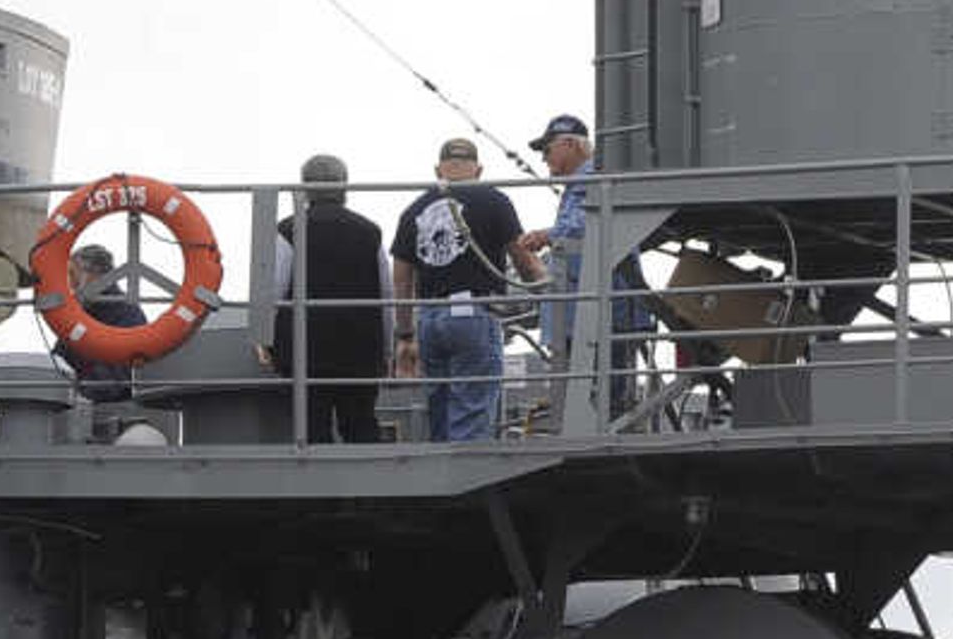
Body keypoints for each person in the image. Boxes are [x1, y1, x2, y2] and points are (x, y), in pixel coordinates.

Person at [390, 136, 544, 443]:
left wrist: (405, 335)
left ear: (438, 170)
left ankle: (437, 482)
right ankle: (465, 487)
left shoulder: (412, 211)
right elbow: (526, 265)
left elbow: (401, 281)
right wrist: (555, 294)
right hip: (474, 315)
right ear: (479, 170)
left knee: (440, 414)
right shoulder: (495, 201)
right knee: (471, 417)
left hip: (430, 320)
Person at [255, 151, 391, 444]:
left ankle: (319, 487)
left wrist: (264, 337)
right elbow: (386, 295)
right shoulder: (370, 232)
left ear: (304, 187)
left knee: (311, 427)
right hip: (360, 349)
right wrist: (388, 346)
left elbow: (274, 289)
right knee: (361, 426)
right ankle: (369, 486)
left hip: (305, 348)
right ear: (344, 185)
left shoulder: (287, 230)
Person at [535, 111, 657, 419]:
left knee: (607, 402)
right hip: (592, 316)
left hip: (603, 316)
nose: (544, 159)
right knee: (599, 400)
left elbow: (586, 228)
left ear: (570, 144)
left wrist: (545, 236)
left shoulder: (593, 181)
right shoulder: (583, 184)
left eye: (547, 150)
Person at [62, 243, 145, 402]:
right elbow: (60, 358)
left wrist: (82, 393)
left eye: (73, 275)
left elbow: (122, 369)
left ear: (95, 274)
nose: (70, 284)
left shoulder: (127, 314)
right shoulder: (81, 315)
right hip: (80, 402)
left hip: (118, 407)